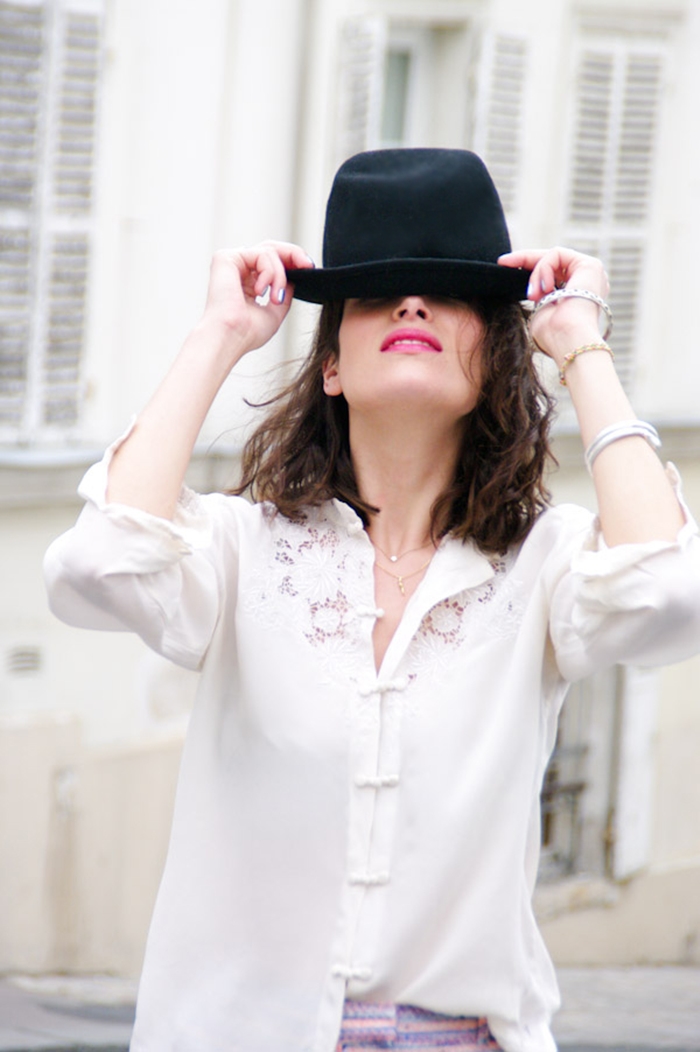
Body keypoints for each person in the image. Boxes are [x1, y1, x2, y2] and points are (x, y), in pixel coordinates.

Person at [44, 149, 700, 1052]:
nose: (412, 305)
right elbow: (96, 567)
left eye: (450, 293)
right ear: (330, 367)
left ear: (494, 362)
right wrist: (220, 333)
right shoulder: (241, 549)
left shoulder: (543, 563)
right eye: (377, 292)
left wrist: (580, 342)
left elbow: (671, 592)